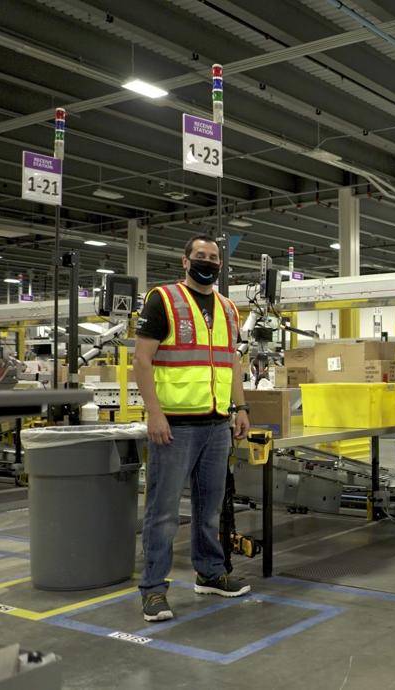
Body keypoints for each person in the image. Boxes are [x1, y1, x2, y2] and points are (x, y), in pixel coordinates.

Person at [133, 234, 252, 623]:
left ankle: (210, 573)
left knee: (209, 508)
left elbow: (232, 361)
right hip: (176, 425)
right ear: (185, 262)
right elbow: (142, 360)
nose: (207, 261)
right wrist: (154, 412)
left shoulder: (228, 308)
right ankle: (153, 590)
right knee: (164, 512)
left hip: (217, 424)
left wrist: (241, 408)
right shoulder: (162, 299)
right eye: (200, 255)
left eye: (213, 257)